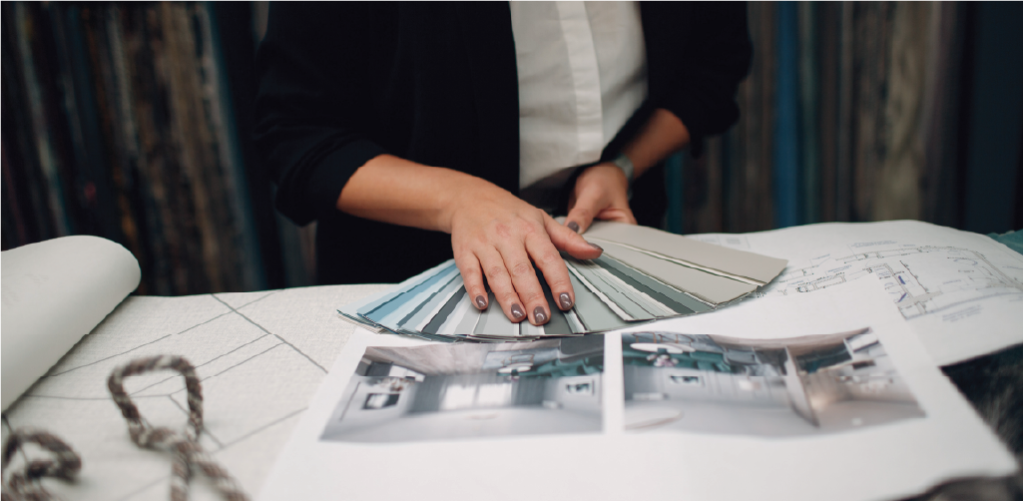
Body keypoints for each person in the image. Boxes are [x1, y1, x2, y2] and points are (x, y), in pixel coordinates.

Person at [254, 0, 751, 327]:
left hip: (612, 242)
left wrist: (622, 164)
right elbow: (296, 136)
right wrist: (459, 200)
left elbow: (713, 65)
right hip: (412, 278)